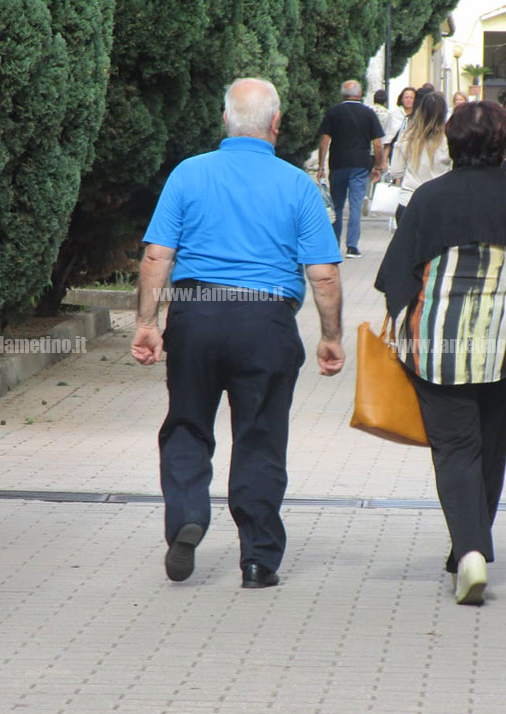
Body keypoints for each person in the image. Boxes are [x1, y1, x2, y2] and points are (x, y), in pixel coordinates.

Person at [132, 78, 345, 589]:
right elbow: (324, 274)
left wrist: (147, 324)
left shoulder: (189, 173)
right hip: (266, 320)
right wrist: (330, 335)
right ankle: (257, 559)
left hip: (196, 314)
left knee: (186, 423)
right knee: (260, 437)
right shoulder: (297, 185)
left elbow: (158, 255)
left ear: (225, 121)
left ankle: (187, 514)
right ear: (276, 125)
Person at [375, 101, 506, 605]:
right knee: (489, 450)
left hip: (436, 350)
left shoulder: (428, 200)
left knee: (455, 450)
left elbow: (394, 278)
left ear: (453, 143)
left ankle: (467, 552)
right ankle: (468, 548)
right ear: (503, 144)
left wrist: (412, 319)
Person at [317, 79, 385, 258]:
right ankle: (352, 247)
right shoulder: (369, 113)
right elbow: (377, 144)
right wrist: (378, 165)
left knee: (337, 205)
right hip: (360, 165)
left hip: (338, 163)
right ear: (360, 93)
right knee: (355, 205)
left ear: (342, 94)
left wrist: (320, 165)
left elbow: (324, 141)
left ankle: (333, 245)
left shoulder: (333, 112)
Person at [389, 91, 451, 221]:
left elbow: (396, 172)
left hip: (409, 201)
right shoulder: (449, 139)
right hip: (439, 203)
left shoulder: (407, 137)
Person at [384, 86, 416, 165]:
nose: (409, 100)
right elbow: (388, 138)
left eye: (411, 97)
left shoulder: (419, 115)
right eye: (406, 97)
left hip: (413, 153)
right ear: (402, 99)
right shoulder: (394, 114)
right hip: (396, 151)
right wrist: (384, 160)